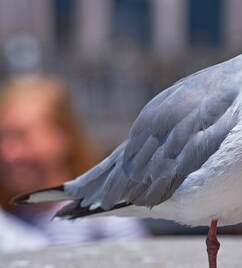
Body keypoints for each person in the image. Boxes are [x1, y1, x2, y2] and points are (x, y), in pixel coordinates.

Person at [0, 76, 147, 253]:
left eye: (22, 136)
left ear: (63, 135)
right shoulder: (7, 218)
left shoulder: (105, 220)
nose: (9, 153)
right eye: (2, 138)